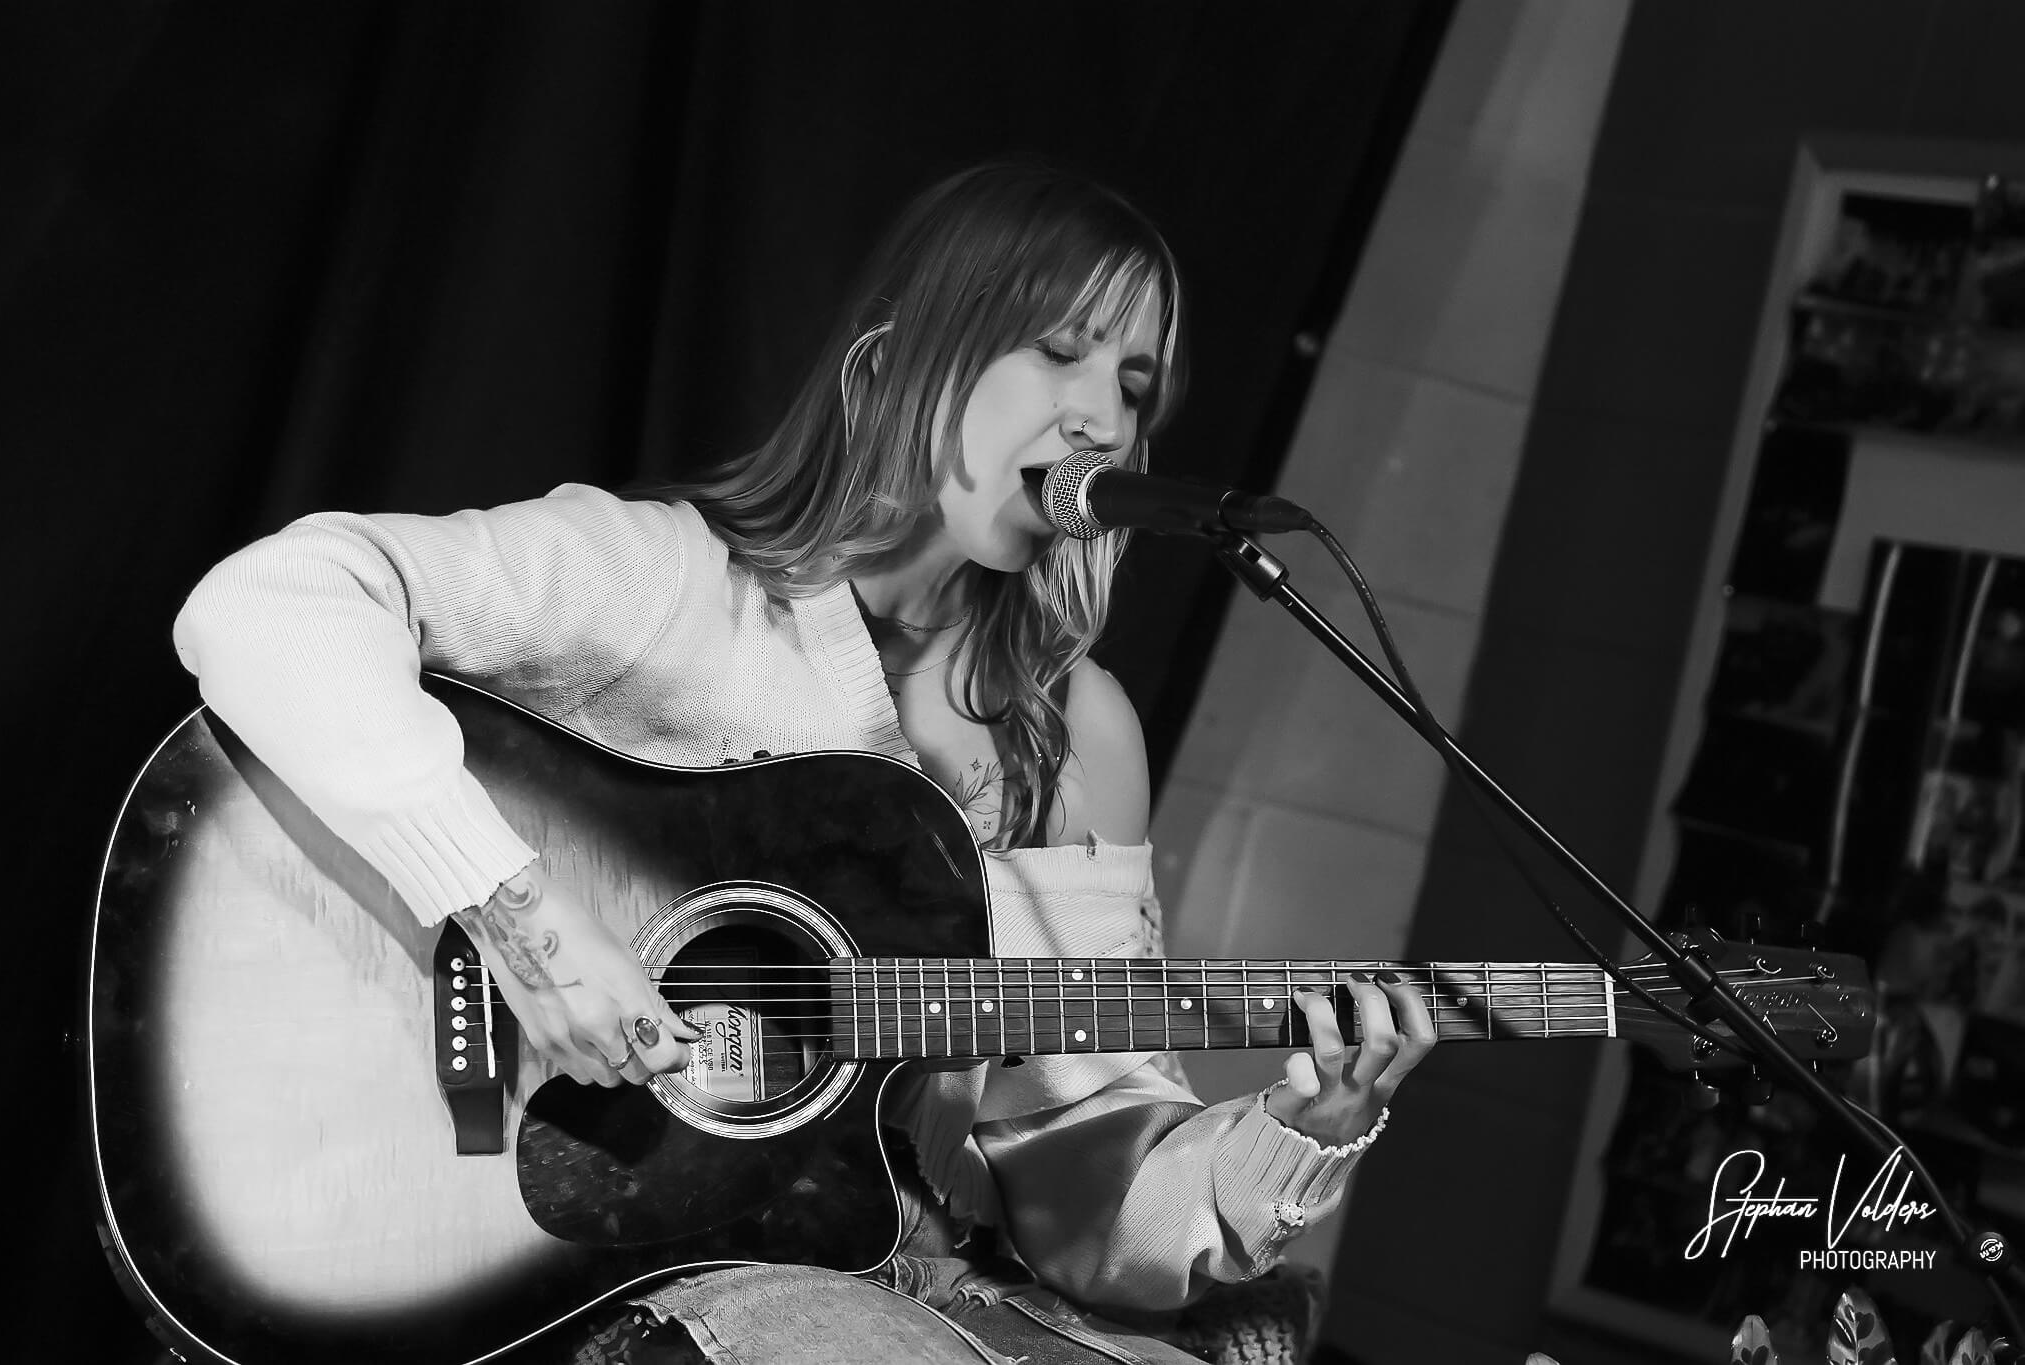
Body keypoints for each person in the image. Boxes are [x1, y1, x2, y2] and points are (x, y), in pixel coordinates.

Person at [173, 163, 1436, 1364]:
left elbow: (1081, 1191)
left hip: (906, 1282)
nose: (1100, 417)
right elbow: (271, 602)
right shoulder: (668, 584)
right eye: (1058, 349)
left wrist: (1296, 1132)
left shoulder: (1071, 738)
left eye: (1135, 384)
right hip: (644, 1276)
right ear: (903, 358)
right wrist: (519, 916)